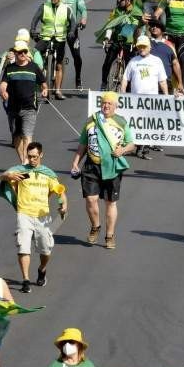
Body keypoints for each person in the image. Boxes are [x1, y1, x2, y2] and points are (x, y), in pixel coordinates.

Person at [0, 142, 66, 293]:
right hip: (24, 214)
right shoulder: (20, 171)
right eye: (29, 157)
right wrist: (7, 175)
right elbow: (2, 177)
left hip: (42, 216)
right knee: (23, 247)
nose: (32, 160)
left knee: (46, 250)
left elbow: (60, 191)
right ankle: (26, 280)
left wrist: (64, 204)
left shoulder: (47, 173)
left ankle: (42, 269)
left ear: (41, 155)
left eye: (35, 157)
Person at [72, 91, 134, 250]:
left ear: (115, 106)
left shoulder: (121, 122)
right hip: (91, 166)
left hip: (111, 167)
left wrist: (123, 150)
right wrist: (75, 163)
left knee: (110, 203)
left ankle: (109, 235)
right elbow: (82, 145)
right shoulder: (91, 121)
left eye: (109, 104)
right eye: (104, 103)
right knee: (91, 199)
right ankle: (95, 226)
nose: (106, 106)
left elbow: (132, 144)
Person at [0, 41, 48, 164]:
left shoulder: (34, 67)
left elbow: (43, 83)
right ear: (15, 53)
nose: (22, 54)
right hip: (13, 108)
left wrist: (45, 90)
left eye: (25, 51)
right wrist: (3, 91)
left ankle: (26, 162)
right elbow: (3, 84)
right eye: (19, 52)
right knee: (16, 138)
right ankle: (22, 159)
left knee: (27, 135)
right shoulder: (10, 68)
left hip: (29, 107)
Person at [31, 0, 76, 100]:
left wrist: (71, 32)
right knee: (34, 54)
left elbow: (73, 23)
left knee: (59, 65)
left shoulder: (66, 8)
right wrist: (32, 30)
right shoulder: (44, 6)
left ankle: (58, 90)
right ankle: (40, 84)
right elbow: (35, 19)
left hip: (60, 39)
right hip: (45, 37)